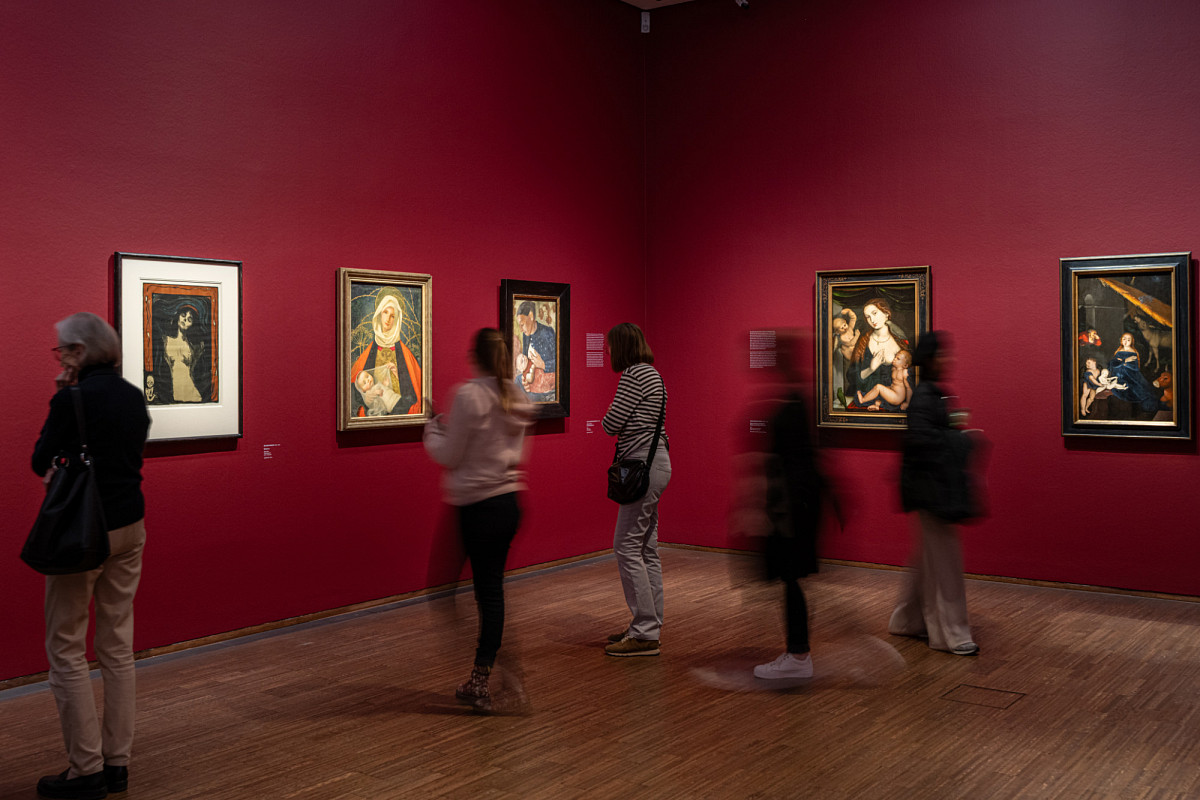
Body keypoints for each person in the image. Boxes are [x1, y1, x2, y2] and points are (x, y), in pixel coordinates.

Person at [32, 312, 150, 799]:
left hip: (82, 533)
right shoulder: (133, 396)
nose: (59, 358)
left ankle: (86, 769)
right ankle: (117, 762)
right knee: (117, 645)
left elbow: (40, 460)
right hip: (130, 527)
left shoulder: (72, 398)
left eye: (62, 350)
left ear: (79, 352)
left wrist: (63, 394)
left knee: (65, 646)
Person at [423, 328, 532, 712]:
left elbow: (450, 456)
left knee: (447, 592)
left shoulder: (468, 395)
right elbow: (506, 451)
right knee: (490, 591)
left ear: (475, 357)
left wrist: (431, 429)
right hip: (508, 503)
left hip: (475, 506)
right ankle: (494, 665)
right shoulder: (517, 395)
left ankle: (488, 672)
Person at [889, 331, 981, 656]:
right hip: (932, 490)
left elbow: (929, 437)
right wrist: (963, 440)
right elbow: (922, 441)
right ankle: (950, 635)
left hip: (930, 488)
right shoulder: (925, 397)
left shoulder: (931, 394)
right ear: (930, 360)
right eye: (942, 355)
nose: (947, 360)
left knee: (929, 561)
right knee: (945, 564)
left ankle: (906, 620)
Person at [753, 332, 826, 680]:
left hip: (794, 506)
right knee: (791, 577)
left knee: (791, 577)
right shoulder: (798, 397)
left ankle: (798, 654)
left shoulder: (794, 402)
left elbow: (792, 460)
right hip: (798, 503)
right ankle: (797, 652)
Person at [602, 322, 671, 657]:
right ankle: (649, 625)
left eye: (610, 346)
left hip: (641, 465)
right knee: (645, 548)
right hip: (657, 463)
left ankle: (644, 631)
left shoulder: (633, 375)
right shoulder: (654, 375)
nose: (607, 351)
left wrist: (611, 416)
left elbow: (610, 424)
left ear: (622, 347)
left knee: (626, 546)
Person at [351, 288, 422, 417]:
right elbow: (355, 388)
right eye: (385, 312)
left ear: (397, 319)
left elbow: (413, 392)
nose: (388, 319)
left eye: (393, 316)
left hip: (399, 408)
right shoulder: (368, 352)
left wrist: (397, 374)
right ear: (379, 314)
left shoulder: (405, 353)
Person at [848, 298, 910, 410]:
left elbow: (910, 377)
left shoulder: (901, 341)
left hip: (895, 398)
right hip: (870, 395)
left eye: (874, 313)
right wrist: (871, 369)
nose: (872, 319)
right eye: (868, 317)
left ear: (886, 313)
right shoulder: (863, 342)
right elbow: (852, 376)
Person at [156, 305, 206, 403]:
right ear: (178, 316)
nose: (185, 320)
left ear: (192, 324)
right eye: (183, 315)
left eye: (189, 319)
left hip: (191, 393)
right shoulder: (165, 340)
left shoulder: (194, 346)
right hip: (171, 393)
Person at [1107, 332, 1163, 416]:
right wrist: (1125, 361)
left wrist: (1121, 363)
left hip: (1130, 375)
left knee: (1140, 389)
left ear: (1131, 342)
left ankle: (1146, 409)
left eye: (1128, 340)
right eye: (1124, 339)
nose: (1126, 341)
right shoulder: (1118, 352)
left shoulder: (1133, 352)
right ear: (1121, 341)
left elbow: (1134, 367)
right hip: (1117, 375)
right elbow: (1112, 364)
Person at [514, 301, 556, 401]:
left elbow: (560, 363)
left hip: (546, 382)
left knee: (530, 397)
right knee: (517, 381)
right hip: (532, 378)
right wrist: (525, 379)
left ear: (531, 316)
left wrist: (543, 364)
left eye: (522, 324)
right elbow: (526, 360)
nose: (521, 329)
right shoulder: (526, 335)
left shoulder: (548, 333)